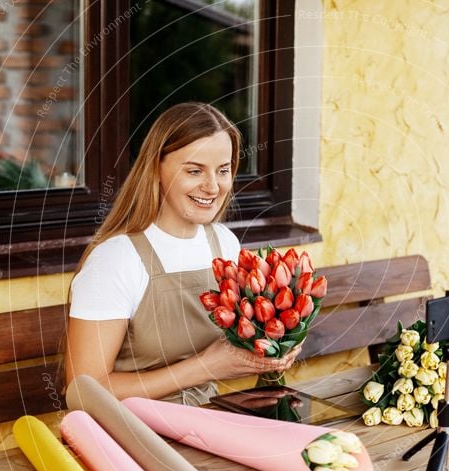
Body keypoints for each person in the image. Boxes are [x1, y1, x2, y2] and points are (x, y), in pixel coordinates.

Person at [64, 102, 300, 404]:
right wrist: (205, 367)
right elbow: (83, 394)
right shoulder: (116, 260)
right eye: (194, 170)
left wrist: (278, 344)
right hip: (127, 433)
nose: (212, 186)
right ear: (155, 169)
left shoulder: (224, 243)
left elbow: (237, 344)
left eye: (223, 170)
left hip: (204, 420)